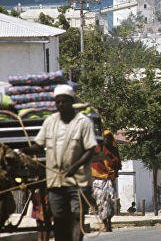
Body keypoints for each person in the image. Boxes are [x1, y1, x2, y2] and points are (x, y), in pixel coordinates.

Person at [23, 84, 97, 241]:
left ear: (72, 102)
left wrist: (74, 167)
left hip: (78, 181)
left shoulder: (83, 122)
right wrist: (23, 151)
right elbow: (38, 145)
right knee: (59, 219)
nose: (60, 105)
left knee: (77, 216)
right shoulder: (50, 122)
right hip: (55, 181)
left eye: (64, 101)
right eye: (57, 102)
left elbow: (91, 150)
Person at [91, 129, 121, 232]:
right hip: (98, 181)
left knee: (110, 202)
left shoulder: (114, 150)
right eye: (105, 138)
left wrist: (113, 177)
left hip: (110, 181)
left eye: (108, 138)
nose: (106, 140)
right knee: (101, 203)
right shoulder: (97, 149)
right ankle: (105, 224)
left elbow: (117, 165)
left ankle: (109, 223)